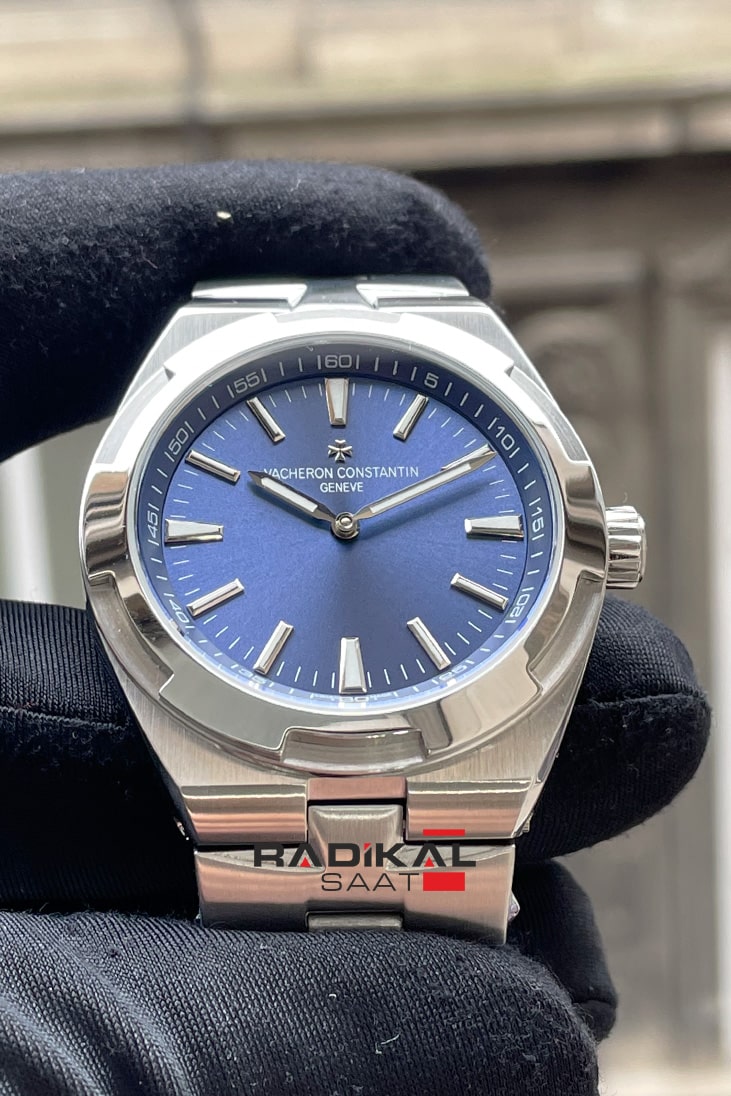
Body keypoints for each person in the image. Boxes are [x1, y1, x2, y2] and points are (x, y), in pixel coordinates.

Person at [0, 160, 710, 1096]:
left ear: (600, 547)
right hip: (244, 766)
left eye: (356, 522)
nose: (345, 528)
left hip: (413, 756)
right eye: (333, 520)